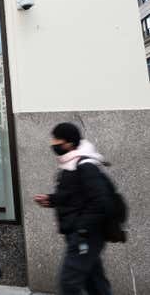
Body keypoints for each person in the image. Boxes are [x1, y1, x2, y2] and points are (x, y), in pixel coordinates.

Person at [33, 123, 113, 295]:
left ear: (68, 143)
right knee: (96, 284)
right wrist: (51, 199)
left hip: (85, 234)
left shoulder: (85, 165)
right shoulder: (70, 164)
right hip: (80, 233)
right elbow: (73, 196)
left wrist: (82, 228)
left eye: (56, 139)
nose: (52, 143)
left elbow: (101, 201)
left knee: (69, 283)